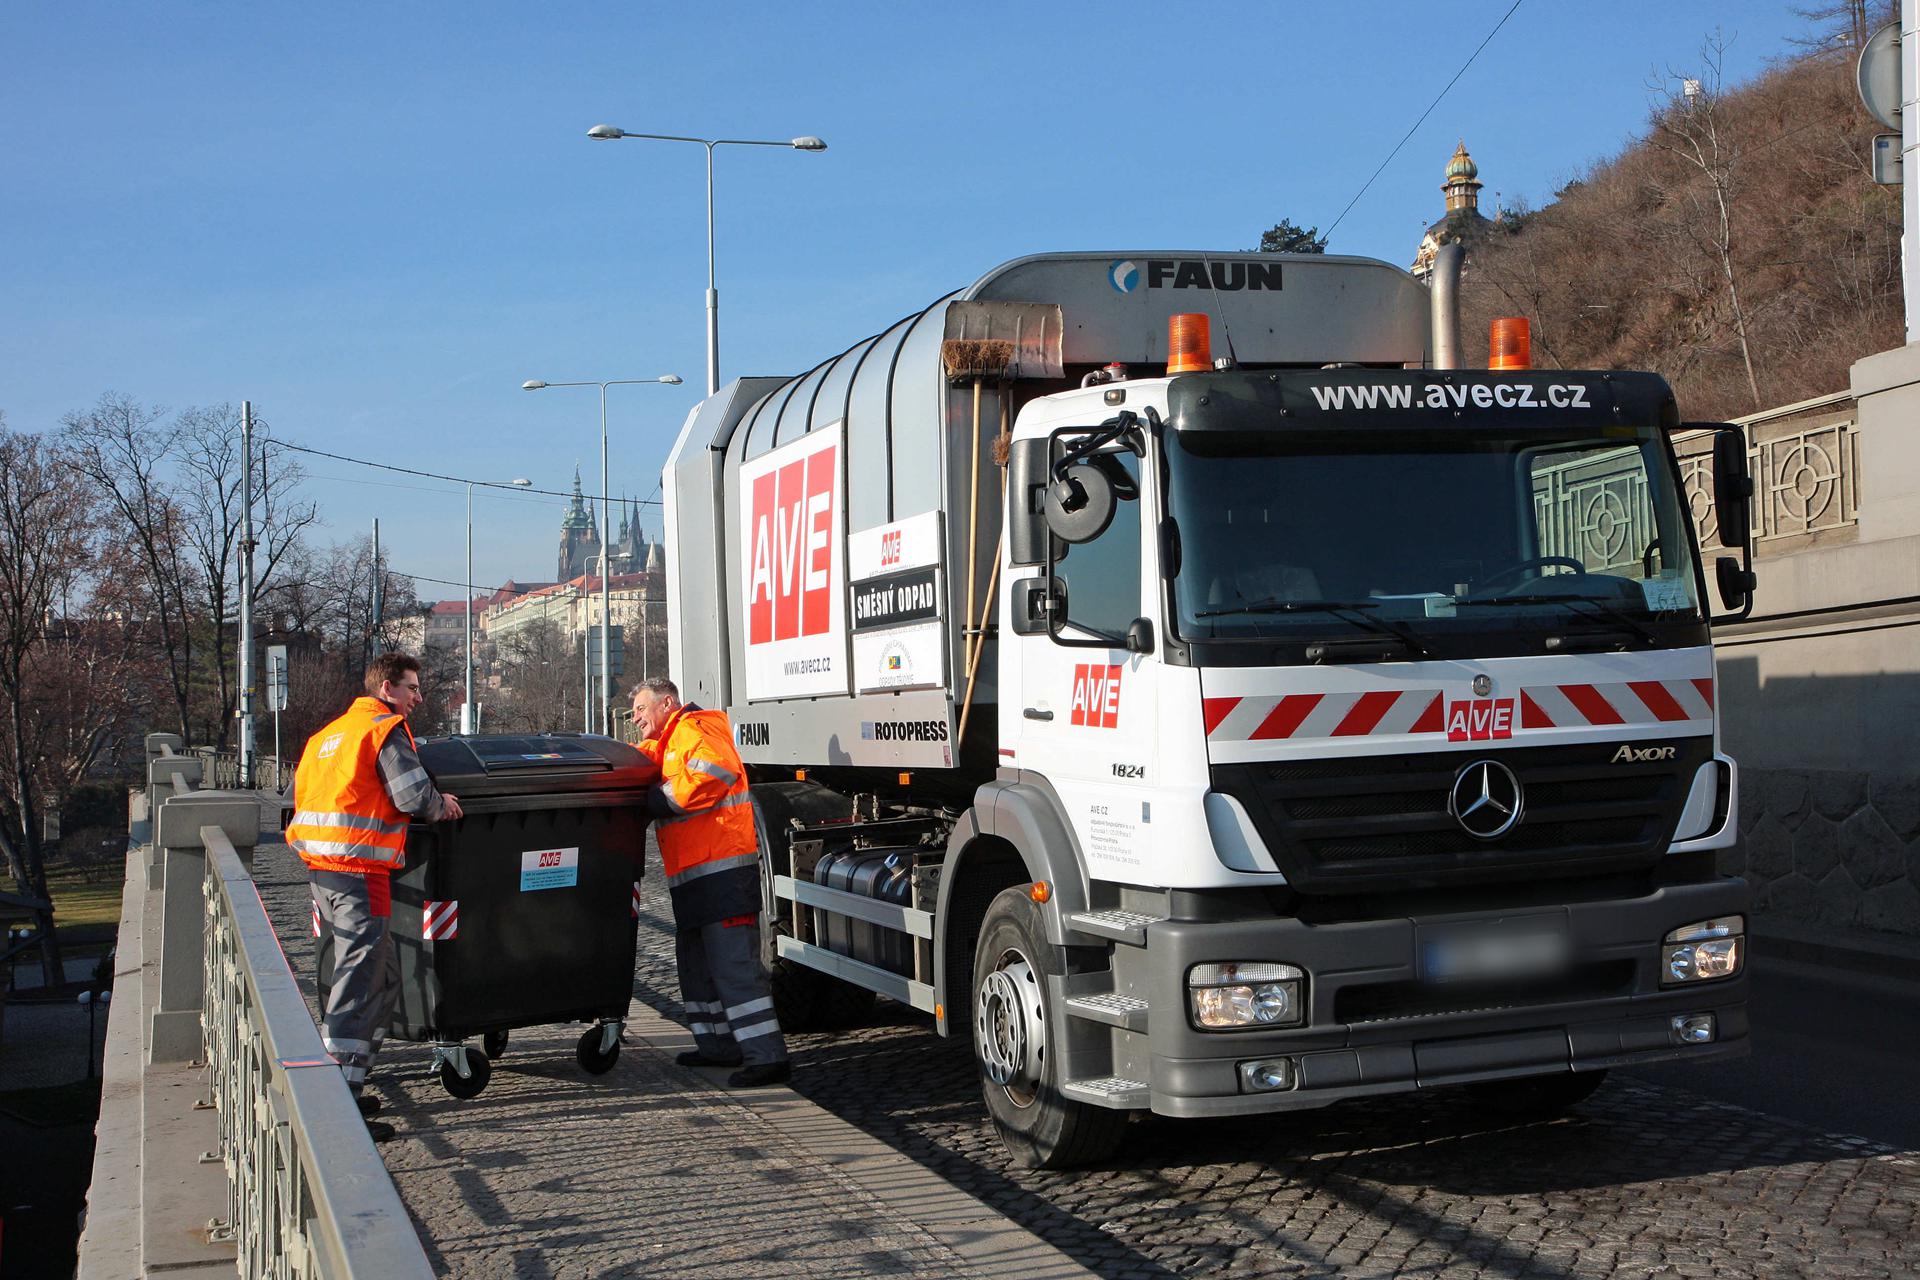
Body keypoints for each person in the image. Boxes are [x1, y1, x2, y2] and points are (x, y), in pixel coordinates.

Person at [285, 652, 463, 1137]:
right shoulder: (383, 729)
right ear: (387, 688)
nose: (417, 698)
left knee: (379, 976)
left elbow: (299, 797)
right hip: (361, 871)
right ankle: (337, 1099)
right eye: (411, 688)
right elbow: (410, 795)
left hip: (323, 870)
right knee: (362, 979)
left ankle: (351, 1082)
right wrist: (440, 803)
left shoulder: (329, 735)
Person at [630, 676, 790, 1088]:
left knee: (734, 968)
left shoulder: (697, 728)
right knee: (696, 967)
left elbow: (711, 773)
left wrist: (657, 800)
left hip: (722, 875)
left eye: (641, 710)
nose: (635, 719)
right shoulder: (667, 742)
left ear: (667, 704)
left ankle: (766, 1056)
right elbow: (637, 758)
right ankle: (717, 1046)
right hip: (696, 880)